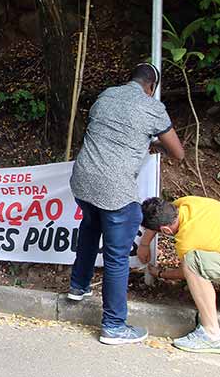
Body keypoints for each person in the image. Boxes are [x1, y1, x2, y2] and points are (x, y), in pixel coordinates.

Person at [67, 63, 185, 345]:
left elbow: (105, 131)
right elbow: (178, 152)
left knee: (90, 225)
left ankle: (78, 286)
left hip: (82, 179)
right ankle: (114, 326)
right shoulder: (153, 107)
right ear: (151, 87)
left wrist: (141, 142)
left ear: (132, 79)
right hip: (115, 189)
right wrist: (152, 143)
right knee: (117, 256)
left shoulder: (107, 95)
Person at [139, 197, 220, 354]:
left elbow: (184, 272)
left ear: (165, 231)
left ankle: (212, 335)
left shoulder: (187, 239)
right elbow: (158, 219)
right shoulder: (187, 203)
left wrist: (159, 273)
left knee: (193, 262)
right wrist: (144, 244)